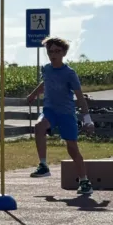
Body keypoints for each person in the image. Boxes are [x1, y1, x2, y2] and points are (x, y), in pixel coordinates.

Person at [27, 36, 95, 195]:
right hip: (50, 110)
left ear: (64, 53)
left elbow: (79, 96)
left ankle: (84, 181)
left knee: (72, 148)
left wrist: (87, 119)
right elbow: (45, 82)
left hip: (66, 113)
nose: (53, 54)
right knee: (39, 126)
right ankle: (43, 165)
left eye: (57, 51)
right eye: (50, 51)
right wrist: (33, 95)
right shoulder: (46, 69)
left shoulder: (69, 73)